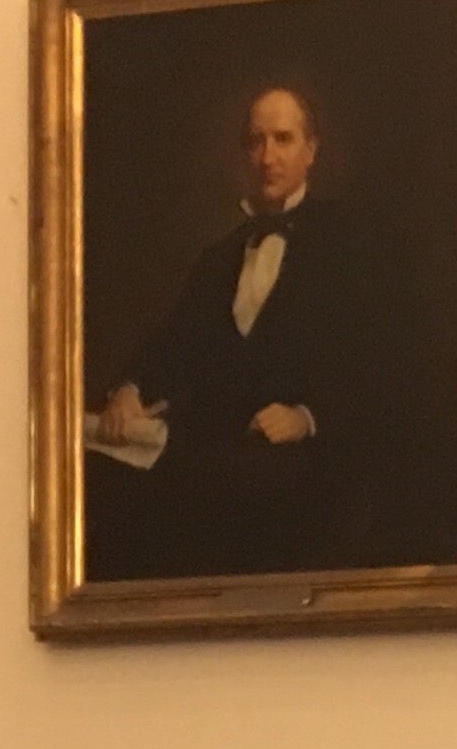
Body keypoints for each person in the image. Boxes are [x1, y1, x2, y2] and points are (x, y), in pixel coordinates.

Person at [83, 86, 390, 578]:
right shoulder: (220, 256)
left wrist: (307, 416)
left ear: (311, 151)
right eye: (256, 142)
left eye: (283, 140)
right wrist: (130, 388)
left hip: (309, 464)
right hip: (219, 455)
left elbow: (378, 361)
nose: (268, 157)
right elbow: (172, 343)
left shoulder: (350, 243)